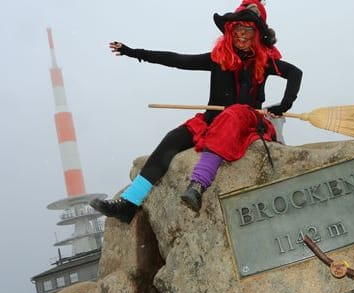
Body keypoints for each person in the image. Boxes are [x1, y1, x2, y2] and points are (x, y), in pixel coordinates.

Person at [90, 0, 302, 223]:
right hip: (212, 120)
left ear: (257, 34)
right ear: (230, 32)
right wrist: (132, 52)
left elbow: (295, 73)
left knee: (234, 113)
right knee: (172, 139)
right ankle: (129, 203)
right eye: (237, 29)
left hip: (246, 122)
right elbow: (177, 59)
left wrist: (284, 104)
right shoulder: (217, 59)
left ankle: (198, 183)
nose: (241, 35)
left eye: (248, 30)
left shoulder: (266, 62)